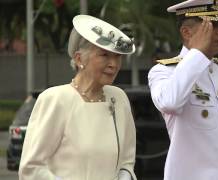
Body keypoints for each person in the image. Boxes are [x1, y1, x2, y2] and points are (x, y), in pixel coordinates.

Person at [19, 15, 137, 180]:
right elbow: (31, 168)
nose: (114, 64)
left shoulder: (118, 98)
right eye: (104, 55)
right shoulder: (55, 99)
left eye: (117, 56)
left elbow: (127, 161)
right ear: (79, 59)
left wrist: (125, 175)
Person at [148, 0, 218, 180]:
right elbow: (170, 103)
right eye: (212, 25)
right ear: (186, 32)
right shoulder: (164, 71)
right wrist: (197, 53)